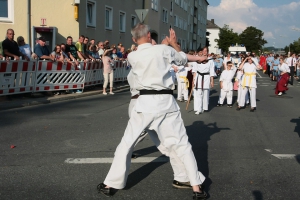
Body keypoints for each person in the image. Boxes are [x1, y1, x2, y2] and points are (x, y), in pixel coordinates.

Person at [97, 23, 207, 200]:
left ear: (134, 39)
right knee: (181, 144)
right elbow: (181, 58)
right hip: (165, 102)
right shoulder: (164, 50)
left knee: (126, 143)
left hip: (144, 102)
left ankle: (110, 183)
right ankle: (196, 187)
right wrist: (173, 43)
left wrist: (166, 44)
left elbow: (153, 52)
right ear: (149, 35)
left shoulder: (132, 56)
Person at [192, 47, 215, 115]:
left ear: (207, 52)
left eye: (206, 50)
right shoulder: (197, 59)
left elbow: (211, 71)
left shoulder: (210, 60)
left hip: (206, 77)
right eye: (203, 50)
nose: (205, 52)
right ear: (202, 51)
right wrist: (193, 80)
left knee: (206, 93)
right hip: (198, 77)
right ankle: (199, 109)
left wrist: (212, 81)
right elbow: (195, 70)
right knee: (199, 94)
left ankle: (205, 107)